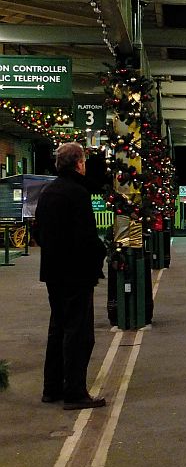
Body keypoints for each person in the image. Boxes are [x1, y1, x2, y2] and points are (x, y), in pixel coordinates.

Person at [35, 142, 107, 410]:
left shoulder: (48, 191)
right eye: (84, 161)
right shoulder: (77, 193)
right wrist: (102, 252)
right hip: (76, 274)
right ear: (78, 163)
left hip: (53, 273)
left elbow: (37, 232)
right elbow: (86, 237)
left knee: (58, 328)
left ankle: (51, 388)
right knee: (79, 333)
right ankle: (75, 392)